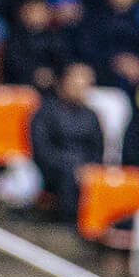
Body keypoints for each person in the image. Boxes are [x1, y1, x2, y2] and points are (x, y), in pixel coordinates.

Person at [29, 62, 107, 220]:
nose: (79, 90)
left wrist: (89, 167)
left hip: (84, 168)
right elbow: (41, 149)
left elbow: (97, 149)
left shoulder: (91, 116)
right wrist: (70, 165)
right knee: (69, 174)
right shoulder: (46, 112)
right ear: (63, 83)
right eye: (75, 85)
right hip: (52, 169)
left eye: (84, 86)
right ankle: (68, 220)